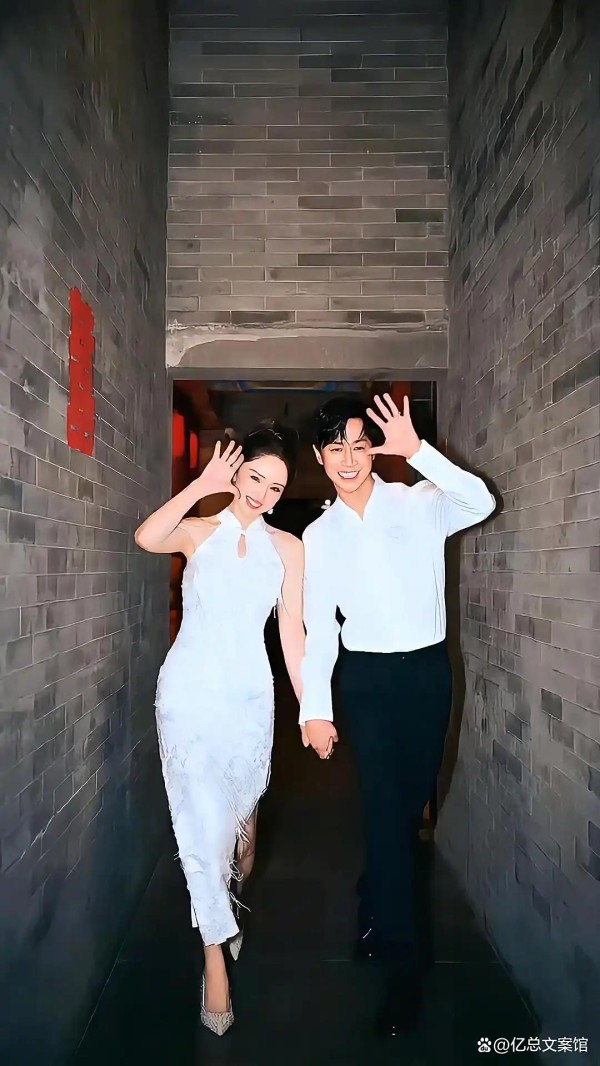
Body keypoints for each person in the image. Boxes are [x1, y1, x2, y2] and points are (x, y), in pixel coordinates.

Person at [299, 393, 495, 1037]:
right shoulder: (319, 536)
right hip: (367, 682)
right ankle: (402, 970)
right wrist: (315, 709)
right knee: (385, 817)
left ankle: (372, 899)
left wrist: (420, 453)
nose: (349, 458)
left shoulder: (418, 501)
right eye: (336, 447)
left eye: (360, 444)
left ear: (373, 450)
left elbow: (481, 503)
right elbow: (320, 630)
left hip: (427, 676)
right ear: (320, 457)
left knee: (407, 812)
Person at [134, 422, 304, 1037]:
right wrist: (199, 485)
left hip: (249, 701)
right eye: (255, 476)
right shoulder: (199, 530)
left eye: (276, 486)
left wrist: (310, 706)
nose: (263, 493)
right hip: (188, 696)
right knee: (201, 831)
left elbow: (292, 631)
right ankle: (214, 960)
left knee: (241, 843)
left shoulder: (288, 548)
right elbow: (147, 536)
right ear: (235, 472)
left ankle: (224, 907)